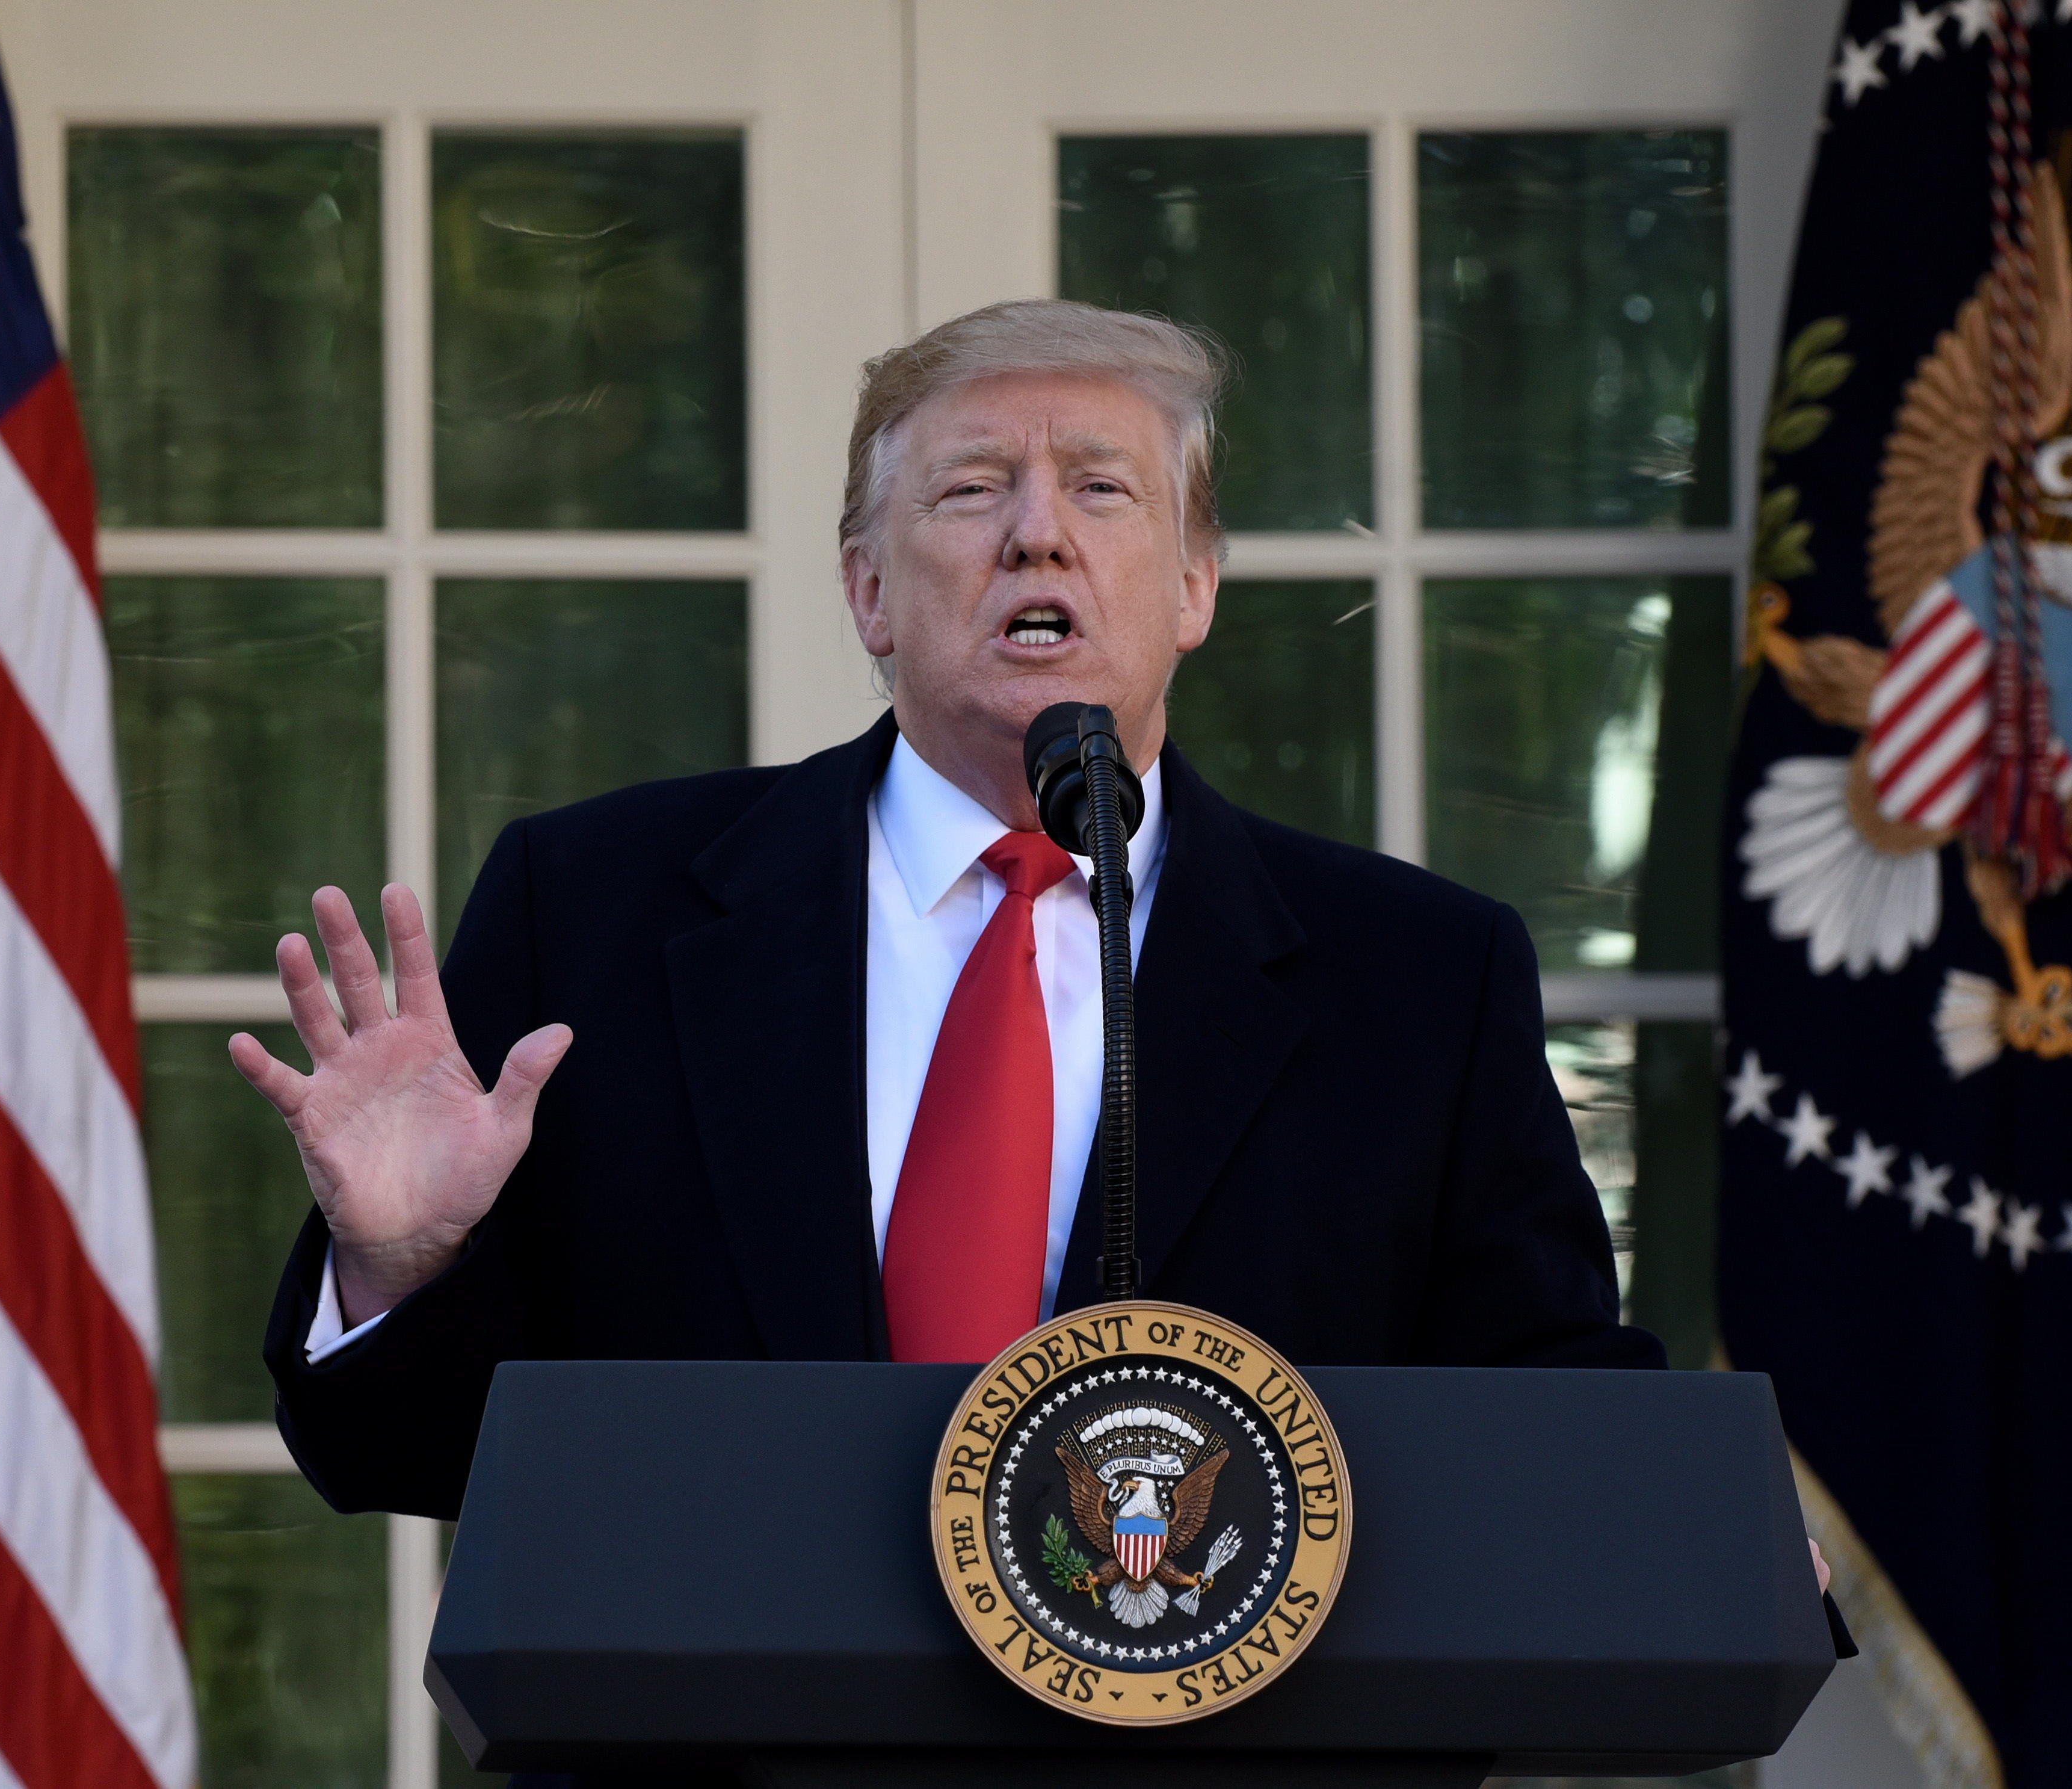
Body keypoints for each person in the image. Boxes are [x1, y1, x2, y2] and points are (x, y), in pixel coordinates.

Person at [239, 299, 1663, 1522]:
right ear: (869, 589)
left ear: (1194, 587)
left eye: (1102, 490)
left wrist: (1696, 1517)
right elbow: (403, 1456)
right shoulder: (595, 908)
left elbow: (1539, 1413)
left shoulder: (1419, 976)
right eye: (974, 489)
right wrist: (404, 1263)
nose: (1038, 533)